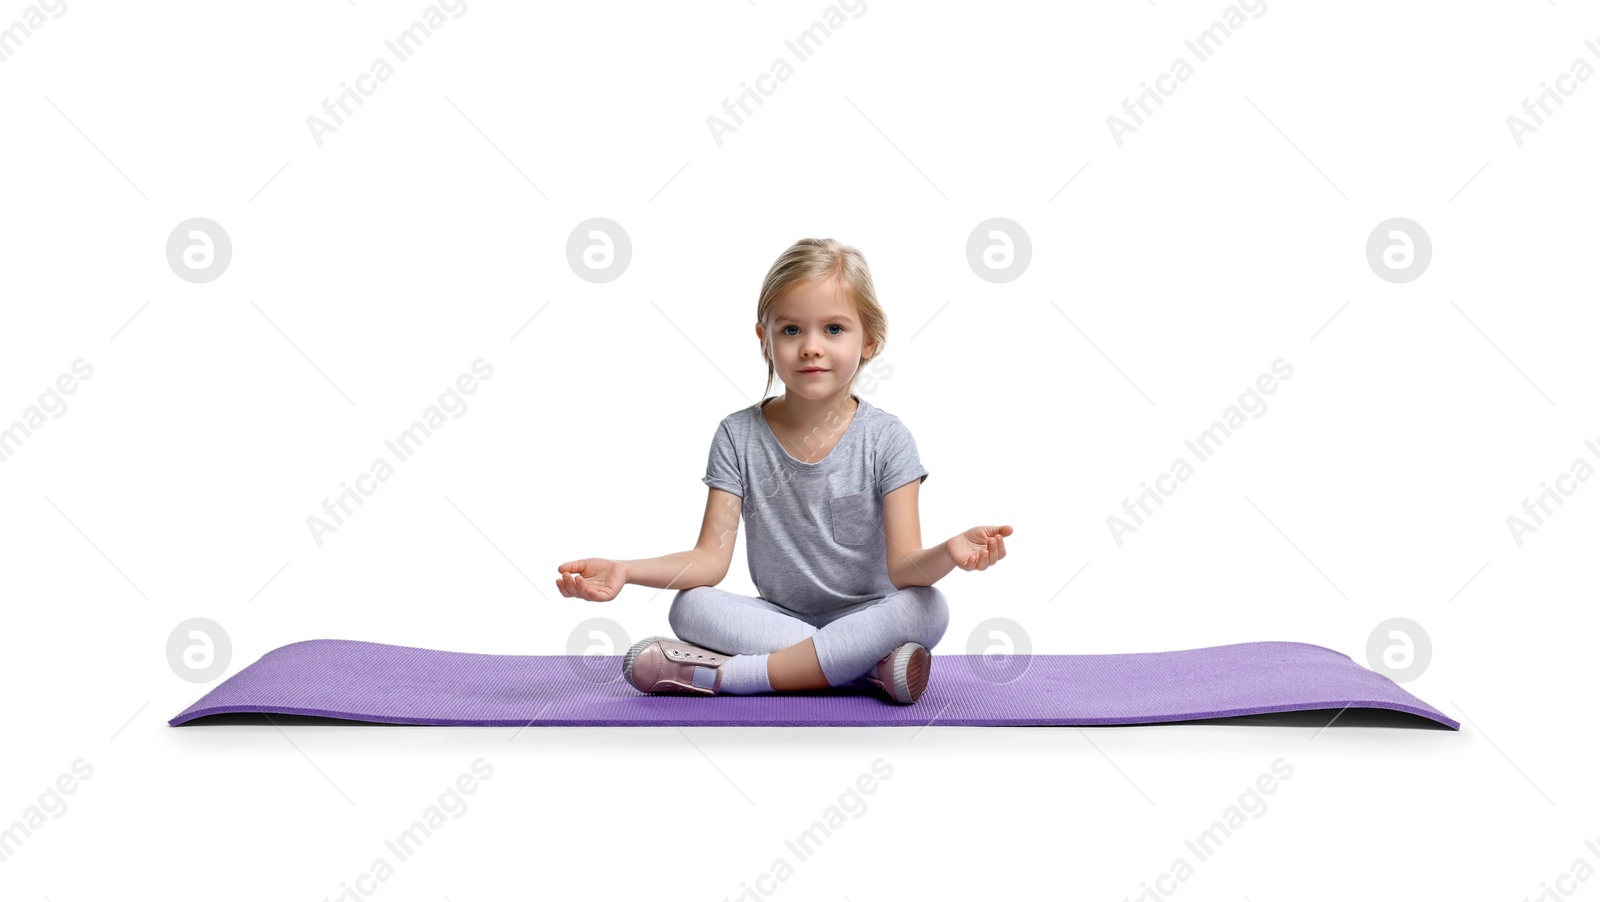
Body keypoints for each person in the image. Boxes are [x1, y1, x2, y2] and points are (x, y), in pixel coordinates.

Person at [555, 237, 1013, 704]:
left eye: (834, 329)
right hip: (773, 622)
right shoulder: (737, 435)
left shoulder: (887, 439)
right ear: (765, 338)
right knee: (690, 605)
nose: (811, 347)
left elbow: (904, 569)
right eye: (792, 330)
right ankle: (866, 669)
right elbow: (710, 560)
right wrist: (626, 570)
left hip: (871, 616)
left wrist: (949, 553)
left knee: (928, 606)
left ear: (870, 340)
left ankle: (730, 677)